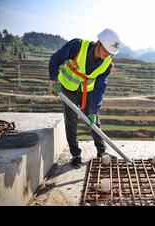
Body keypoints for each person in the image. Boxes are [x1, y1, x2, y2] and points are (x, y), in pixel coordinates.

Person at [48, 29, 121, 167]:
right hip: (68, 88)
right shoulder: (77, 46)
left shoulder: (107, 64)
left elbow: (100, 88)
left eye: (110, 53)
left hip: (88, 91)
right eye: (105, 50)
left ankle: (101, 151)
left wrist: (93, 110)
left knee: (94, 121)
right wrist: (53, 81)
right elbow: (55, 59)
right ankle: (75, 154)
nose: (106, 55)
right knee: (71, 121)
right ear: (99, 43)